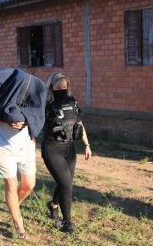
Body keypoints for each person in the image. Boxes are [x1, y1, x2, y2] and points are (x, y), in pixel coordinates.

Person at [0, 68, 47, 239]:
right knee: (11, 184)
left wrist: (27, 123)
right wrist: (6, 120)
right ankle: (19, 226)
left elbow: (37, 113)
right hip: (3, 144)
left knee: (29, 185)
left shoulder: (32, 85)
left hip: (26, 145)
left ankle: (13, 207)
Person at [41, 72, 92, 233]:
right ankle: (67, 223)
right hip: (52, 149)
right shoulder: (46, 104)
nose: (63, 89)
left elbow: (79, 123)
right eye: (59, 86)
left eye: (65, 86)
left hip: (69, 149)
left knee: (65, 182)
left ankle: (53, 205)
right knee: (67, 185)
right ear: (51, 87)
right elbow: (35, 121)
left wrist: (87, 144)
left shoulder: (72, 102)